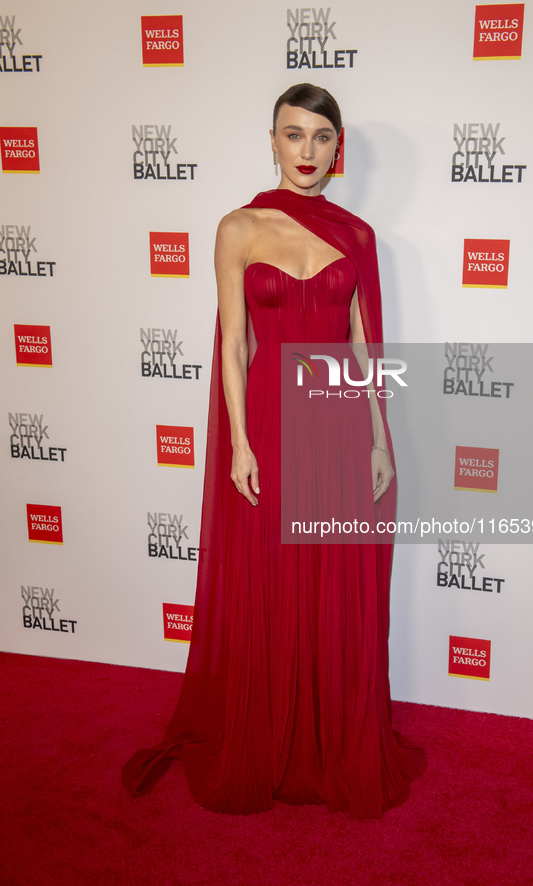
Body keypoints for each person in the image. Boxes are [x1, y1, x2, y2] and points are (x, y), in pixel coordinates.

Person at [122, 83, 425, 819]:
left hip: (336, 426)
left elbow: (361, 341)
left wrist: (380, 437)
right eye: (294, 135)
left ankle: (328, 742)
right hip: (264, 424)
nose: (308, 153)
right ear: (271, 140)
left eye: (322, 138)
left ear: (337, 148)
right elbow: (234, 344)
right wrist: (238, 443)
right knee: (270, 580)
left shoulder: (356, 237)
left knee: (329, 583)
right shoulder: (237, 227)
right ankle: (268, 734)